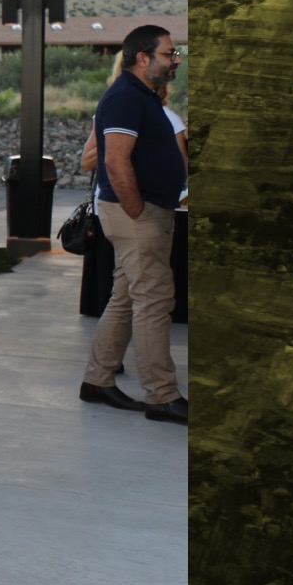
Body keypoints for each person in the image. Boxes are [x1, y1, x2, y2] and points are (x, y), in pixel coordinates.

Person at [82, 25, 188, 423]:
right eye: (169, 54)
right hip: (137, 215)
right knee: (154, 302)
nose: (176, 60)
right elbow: (114, 161)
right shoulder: (125, 96)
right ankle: (161, 395)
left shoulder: (142, 96)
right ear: (143, 58)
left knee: (126, 299)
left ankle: (97, 380)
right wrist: (138, 211)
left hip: (143, 212)